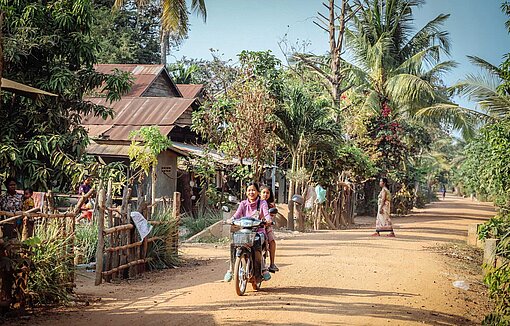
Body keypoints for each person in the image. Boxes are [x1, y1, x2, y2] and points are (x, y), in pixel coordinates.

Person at [224, 182, 272, 282]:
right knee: (234, 244)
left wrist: (268, 220)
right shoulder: (243, 204)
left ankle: (263, 268)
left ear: (258, 192)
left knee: (257, 243)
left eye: (253, 190)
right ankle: (231, 269)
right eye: (249, 190)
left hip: (258, 232)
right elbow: (236, 215)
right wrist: (231, 220)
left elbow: (266, 214)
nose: (251, 192)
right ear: (246, 192)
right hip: (244, 231)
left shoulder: (262, 203)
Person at [260, 185, 279, 273]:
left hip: (266, 226)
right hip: (253, 226)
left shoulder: (271, 205)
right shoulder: (256, 203)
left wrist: (267, 220)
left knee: (272, 240)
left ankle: (272, 264)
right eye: (263, 192)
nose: (265, 194)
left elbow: (270, 216)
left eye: (267, 193)